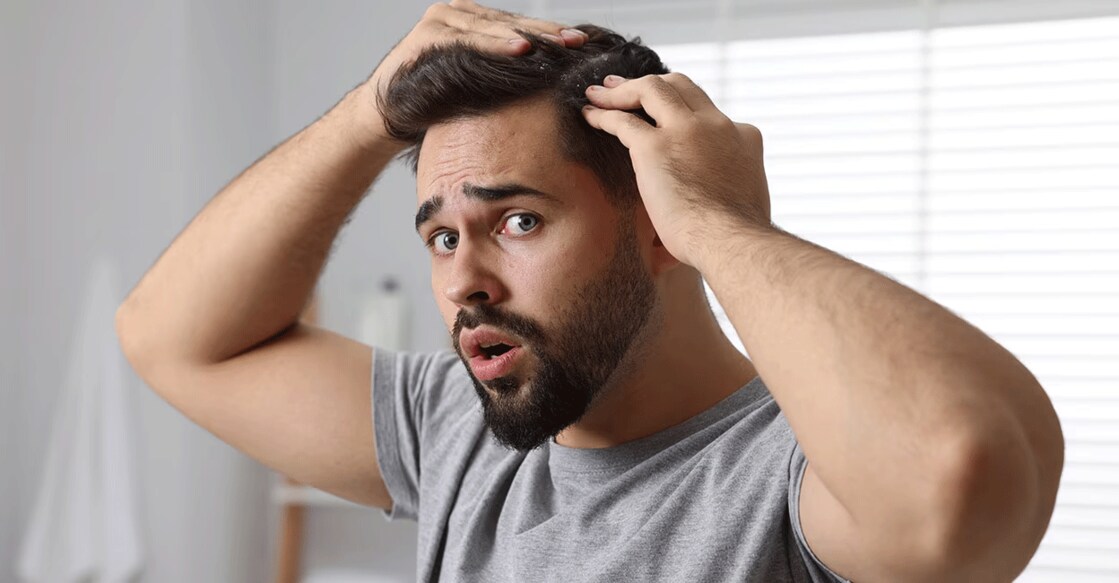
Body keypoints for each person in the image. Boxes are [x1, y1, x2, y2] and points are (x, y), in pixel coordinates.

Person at [114, 1, 1064, 581]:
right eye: (441, 235)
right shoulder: (459, 431)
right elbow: (172, 336)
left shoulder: (796, 476)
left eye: (516, 221)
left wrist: (726, 228)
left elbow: (955, 476)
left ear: (656, 220)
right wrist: (368, 111)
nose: (463, 283)